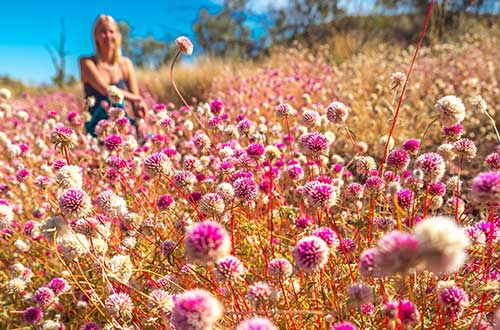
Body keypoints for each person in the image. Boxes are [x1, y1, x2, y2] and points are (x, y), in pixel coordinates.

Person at [79, 14, 146, 136]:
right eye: (103, 32)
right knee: (116, 103)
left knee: (146, 138)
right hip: (97, 126)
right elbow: (107, 91)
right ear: (96, 37)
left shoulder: (125, 64)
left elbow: (135, 99)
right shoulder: (86, 62)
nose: (108, 36)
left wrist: (139, 110)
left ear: (118, 35)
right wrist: (138, 98)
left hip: (121, 123)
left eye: (111, 31)